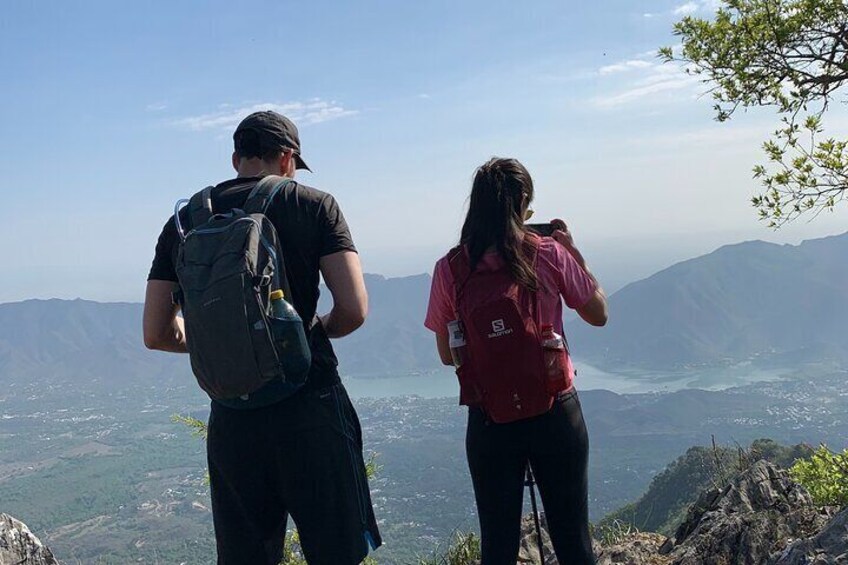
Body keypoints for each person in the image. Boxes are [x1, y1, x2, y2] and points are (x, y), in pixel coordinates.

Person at [143, 110, 382, 565]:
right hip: (311, 408)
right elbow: (353, 309)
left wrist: (230, 340)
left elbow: (155, 333)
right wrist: (301, 334)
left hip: (233, 420)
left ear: (236, 158)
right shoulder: (314, 205)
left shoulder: (183, 223)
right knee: (337, 552)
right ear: (289, 159)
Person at [424, 157, 607, 564]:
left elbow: (445, 355)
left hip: (489, 419)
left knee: (498, 544)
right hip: (556, 411)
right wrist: (574, 254)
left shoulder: (450, 269)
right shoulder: (549, 253)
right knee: (573, 539)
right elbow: (599, 314)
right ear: (522, 202)